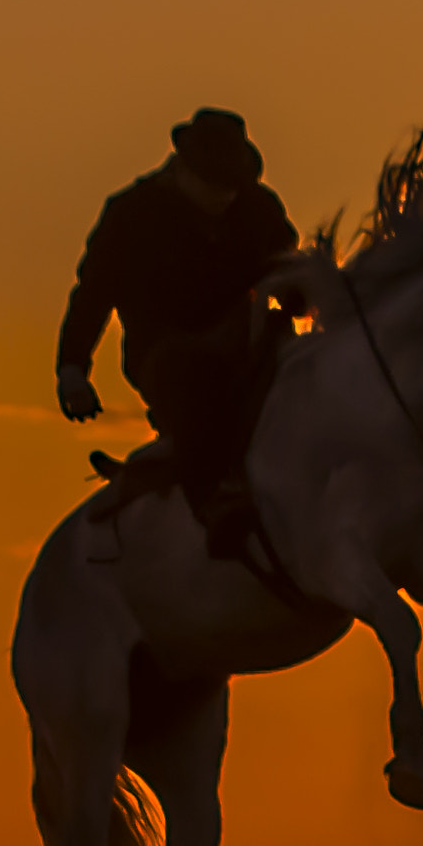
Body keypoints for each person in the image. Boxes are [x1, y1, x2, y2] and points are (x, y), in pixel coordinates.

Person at [55, 107, 303, 559]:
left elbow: (287, 263)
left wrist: (302, 294)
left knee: (317, 371)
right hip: (166, 353)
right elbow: (94, 293)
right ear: (182, 171)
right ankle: (216, 499)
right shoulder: (131, 214)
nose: (225, 197)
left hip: (248, 343)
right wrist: (73, 368)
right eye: (215, 185)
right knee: (194, 375)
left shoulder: (257, 206)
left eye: (232, 186)